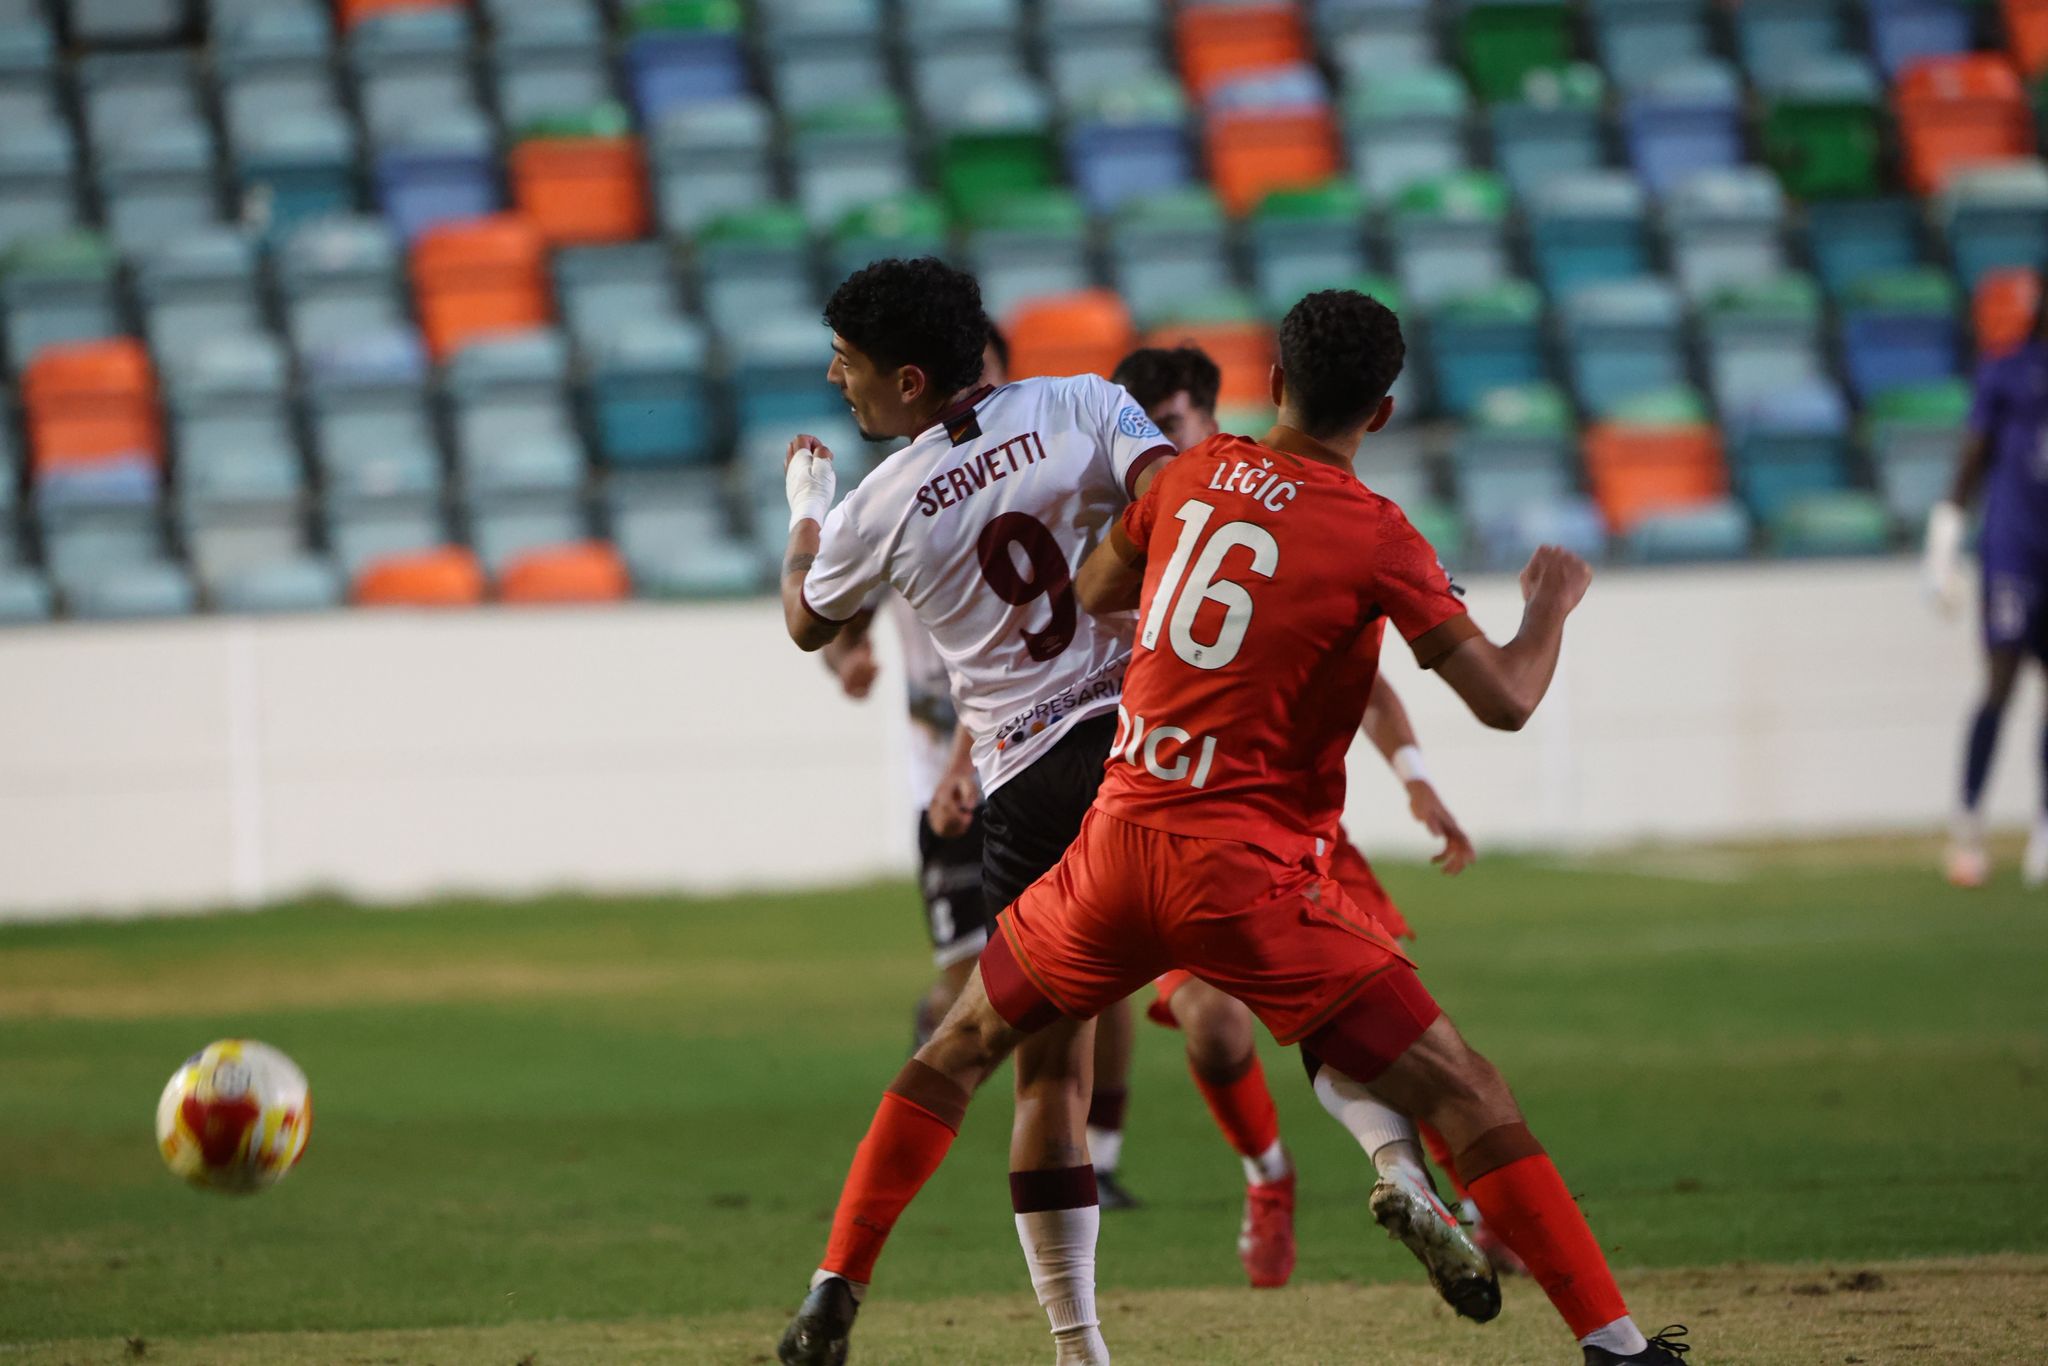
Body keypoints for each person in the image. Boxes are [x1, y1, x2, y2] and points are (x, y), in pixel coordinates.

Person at [778, 290, 1688, 1366]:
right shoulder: (1359, 525)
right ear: (1382, 413)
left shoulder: (1184, 480)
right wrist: (1547, 608)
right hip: (1239, 863)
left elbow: (1092, 583)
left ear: (1269, 383)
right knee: (1445, 1072)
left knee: (974, 1050)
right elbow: (1503, 698)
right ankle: (1609, 1341)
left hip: (1106, 834)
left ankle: (851, 1286)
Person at [1096, 344, 1504, 1288]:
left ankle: (1468, 1204)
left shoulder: (1254, 503)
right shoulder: (1140, 519)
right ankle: (1270, 1179)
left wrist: (1413, 774)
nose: (1163, 437)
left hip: (1288, 822)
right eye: (1145, 422)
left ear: (1212, 413)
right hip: (1175, 821)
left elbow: (1354, 671)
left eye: (1176, 417)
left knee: (1385, 1027)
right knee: (1214, 1023)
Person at [817, 323, 1015, 1046]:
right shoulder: (902, 503)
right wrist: (850, 665)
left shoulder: (1037, 483)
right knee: (964, 988)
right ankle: (932, 1065)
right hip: (942, 781)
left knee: (1064, 983)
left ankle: (1094, 1149)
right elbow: (834, 625)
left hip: (1030, 761)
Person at [1925, 297, 2048, 887]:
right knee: (2000, 684)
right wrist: (1942, 547)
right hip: (2013, 552)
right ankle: (1970, 819)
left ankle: (2045, 827)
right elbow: (1972, 459)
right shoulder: (2008, 372)